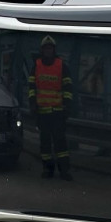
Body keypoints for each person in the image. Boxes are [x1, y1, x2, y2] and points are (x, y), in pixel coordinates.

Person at [27, 35, 73, 180]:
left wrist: (67, 106)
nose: (48, 51)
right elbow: (32, 88)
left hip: (58, 113)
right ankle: (48, 170)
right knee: (45, 144)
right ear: (42, 50)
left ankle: (64, 171)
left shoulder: (61, 66)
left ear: (54, 50)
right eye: (46, 48)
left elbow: (68, 88)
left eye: (50, 48)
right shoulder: (36, 66)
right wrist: (32, 104)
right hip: (43, 113)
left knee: (61, 144)